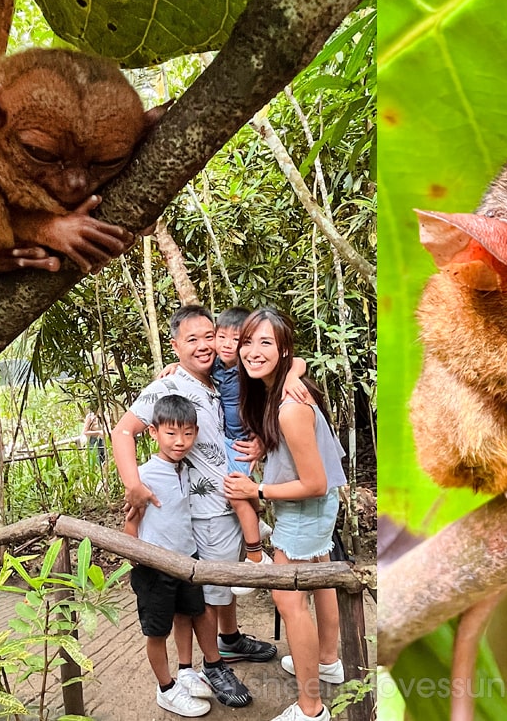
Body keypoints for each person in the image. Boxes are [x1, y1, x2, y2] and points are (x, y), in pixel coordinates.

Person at [113, 305, 273, 709]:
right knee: (207, 592)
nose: (203, 346)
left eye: (209, 336)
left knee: (216, 587)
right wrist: (133, 485)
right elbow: (123, 431)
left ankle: (229, 642)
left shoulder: (219, 378)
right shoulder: (170, 386)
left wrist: (257, 443)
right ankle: (211, 664)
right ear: (176, 345)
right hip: (203, 510)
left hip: (228, 497)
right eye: (192, 339)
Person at [224, 308, 348, 721]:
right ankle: (327, 660)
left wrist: (255, 488)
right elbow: (298, 364)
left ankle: (311, 708)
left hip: (305, 508)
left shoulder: (290, 406)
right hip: (318, 506)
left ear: (282, 349)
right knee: (323, 577)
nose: (253, 351)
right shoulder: (283, 387)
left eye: (265, 343)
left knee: (289, 601)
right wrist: (265, 444)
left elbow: (311, 482)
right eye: (248, 342)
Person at [212, 307, 309, 596]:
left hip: (244, 442)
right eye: (222, 338)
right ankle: (259, 527)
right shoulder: (216, 364)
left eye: (236, 339)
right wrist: (173, 368)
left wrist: (293, 377)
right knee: (236, 492)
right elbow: (191, 362)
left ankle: (255, 555)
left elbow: (297, 359)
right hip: (230, 442)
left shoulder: (250, 368)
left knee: (236, 492)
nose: (228, 345)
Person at [129, 394, 216, 717]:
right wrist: (136, 559)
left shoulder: (187, 469)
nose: (180, 441)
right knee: (157, 630)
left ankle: (185, 670)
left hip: (186, 560)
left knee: (187, 615)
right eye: (171, 433)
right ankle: (165, 688)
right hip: (155, 566)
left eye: (188, 433)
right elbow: (131, 521)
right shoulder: (144, 475)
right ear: (153, 432)